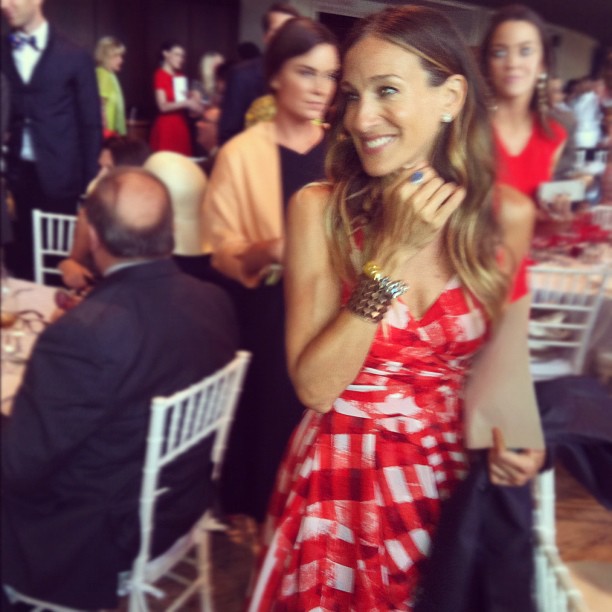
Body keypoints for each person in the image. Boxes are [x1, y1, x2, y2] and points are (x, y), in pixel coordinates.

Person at [247, 6, 545, 610]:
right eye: (352, 95)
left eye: (387, 91)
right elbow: (315, 387)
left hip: (450, 475)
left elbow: (504, 360)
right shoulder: (321, 210)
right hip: (342, 477)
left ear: (450, 97)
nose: (360, 118)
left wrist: (519, 434)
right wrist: (388, 259)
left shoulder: (507, 217)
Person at [1, 167, 239, 610]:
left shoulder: (83, 334)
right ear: (169, 229)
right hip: (182, 501)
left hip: (98, 534)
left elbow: (19, 469)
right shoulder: (212, 299)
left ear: (92, 235)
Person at [204, 16, 340, 523]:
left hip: (332, 310)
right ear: (276, 75)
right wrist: (273, 249)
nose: (321, 89)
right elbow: (221, 251)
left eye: (330, 76)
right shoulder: (240, 154)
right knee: (269, 430)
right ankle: (269, 531)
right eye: (307, 73)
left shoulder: (341, 153)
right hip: (264, 314)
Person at [1, 0, 102, 281]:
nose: (4, 5)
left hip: (62, 174)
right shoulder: (2, 50)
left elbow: (91, 123)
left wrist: (89, 183)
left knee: (61, 259)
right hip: (17, 173)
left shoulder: (75, 54)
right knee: (22, 255)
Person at [480, 4, 568, 224]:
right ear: (488, 64)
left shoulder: (554, 136)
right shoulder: (468, 126)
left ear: (542, 64)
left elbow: (535, 224)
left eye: (525, 51)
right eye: (500, 52)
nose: (513, 63)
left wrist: (556, 221)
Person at [58, 135, 151, 290]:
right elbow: (74, 262)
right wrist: (67, 266)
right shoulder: (91, 215)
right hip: (101, 295)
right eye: (100, 167)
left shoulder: (154, 218)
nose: (100, 176)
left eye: (110, 169)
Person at [217, 2, 300, 145]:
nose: (285, 38)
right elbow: (228, 135)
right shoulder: (241, 75)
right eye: (278, 31)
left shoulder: (299, 76)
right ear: (266, 36)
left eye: (291, 32)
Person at [149, 40, 202, 155]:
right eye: (177, 55)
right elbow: (162, 106)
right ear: (165, 54)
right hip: (166, 127)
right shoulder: (160, 74)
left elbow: (182, 102)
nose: (181, 59)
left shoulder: (180, 76)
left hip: (181, 124)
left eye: (182, 56)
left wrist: (192, 98)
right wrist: (186, 103)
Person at [94, 35, 127, 136]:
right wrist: (107, 135)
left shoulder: (110, 75)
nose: (121, 60)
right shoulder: (103, 75)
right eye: (116, 56)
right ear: (106, 57)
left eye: (121, 56)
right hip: (105, 134)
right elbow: (100, 107)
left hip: (111, 133)